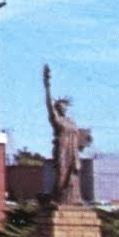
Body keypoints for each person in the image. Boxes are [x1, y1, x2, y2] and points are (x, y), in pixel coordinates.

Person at [44, 65, 91, 205]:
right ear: (57, 109)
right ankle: (56, 198)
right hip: (62, 149)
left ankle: (74, 200)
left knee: (73, 175)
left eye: (65, 107)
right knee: (62, 173)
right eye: (60, 107)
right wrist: (47, 86)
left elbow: (80, 137)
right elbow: (49, 105)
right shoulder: (56, 120)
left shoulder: (71, 121)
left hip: (73, 151)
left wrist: (84, 142)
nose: (63, 108)